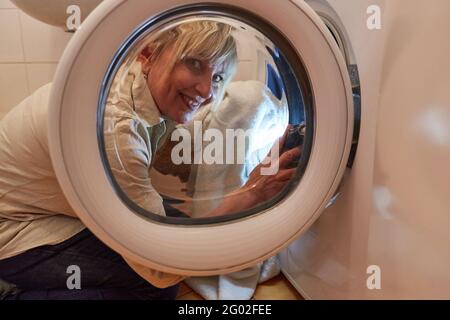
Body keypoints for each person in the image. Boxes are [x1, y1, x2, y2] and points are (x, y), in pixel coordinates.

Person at [0, 20, 299, 300]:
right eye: (194, 63)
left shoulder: (133, 87)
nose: (208, 90)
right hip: (15, 233)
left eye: (218, 77)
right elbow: (160, 267)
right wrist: (254, 192)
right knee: (155, 286)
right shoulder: (118, 129)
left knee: (177, 228)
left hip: (48, 206)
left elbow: (166, 162)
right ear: (148, 52)